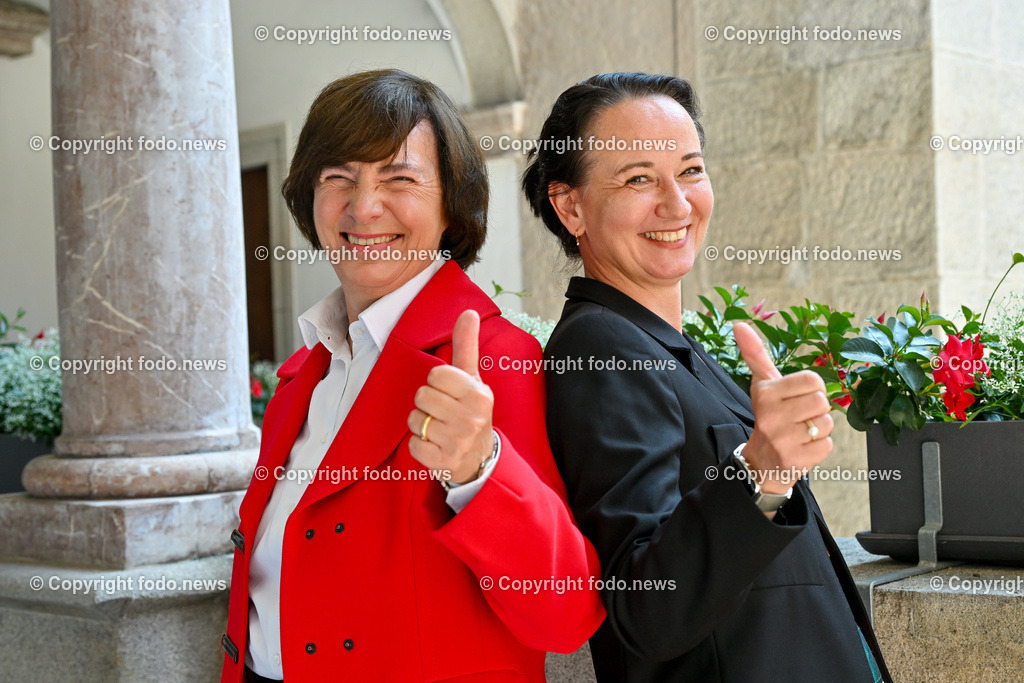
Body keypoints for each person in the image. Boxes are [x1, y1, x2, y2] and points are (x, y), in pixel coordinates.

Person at [221, 69, 604, 683]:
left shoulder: (497, 360)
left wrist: (481, 470)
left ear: (451, 206)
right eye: (337, 177)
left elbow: (564, 614)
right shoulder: (300, 378)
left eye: (398, 178)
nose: (363, 206)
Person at [523, 72, 891, 682]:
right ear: (571, 207)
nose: (677, 203)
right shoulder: (600, 346)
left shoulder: (664, 345)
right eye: (638, 178)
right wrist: (761, 474)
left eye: (690, 170)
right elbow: (644, 608)